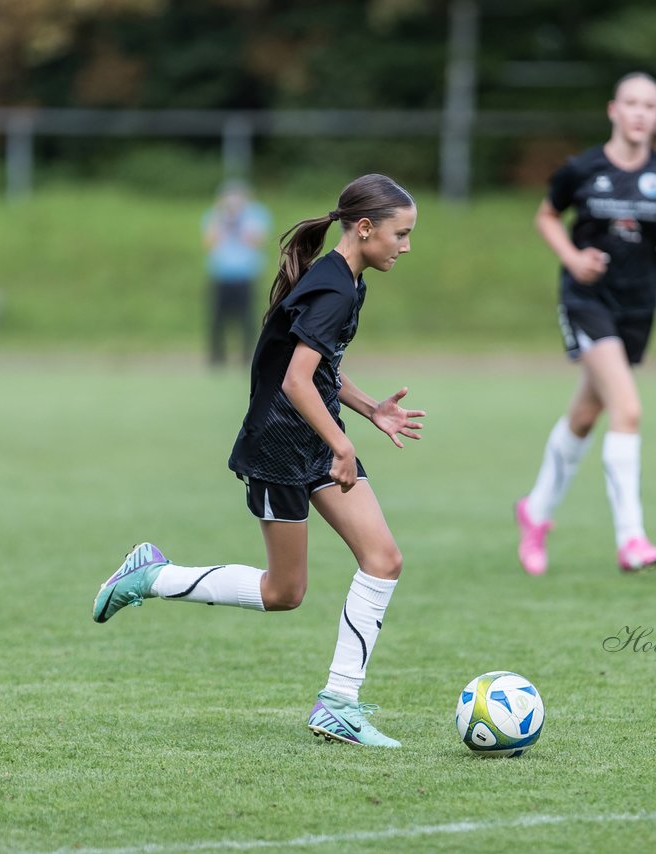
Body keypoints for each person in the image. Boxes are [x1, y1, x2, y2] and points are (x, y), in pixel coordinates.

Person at [93, 174, 422, 748]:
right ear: (365, 228)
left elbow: (318, 368)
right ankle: (153, 576)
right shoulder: (336, 286)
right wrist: (343, 445)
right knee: (283, 592)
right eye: (402, 233)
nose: (406, 246)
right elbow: (295, 381)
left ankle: (338, 703)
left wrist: (369, 409)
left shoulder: (346, 278)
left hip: (313, 439)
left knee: (383, 558)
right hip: (277, 446)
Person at [515, 71, 656, 575]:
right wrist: (573, 259)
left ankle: (535, 511)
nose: (640, 113)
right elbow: (547, 216)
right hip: (587, 300)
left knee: (586, 416)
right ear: (613, 110)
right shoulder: (582, 169)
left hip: (638, 306)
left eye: (650, 106)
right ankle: (631, 538)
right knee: (628, 410)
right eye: (631, 103)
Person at [201, 180, 270, 367]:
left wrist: (239, 221)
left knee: (247, 318)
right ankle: (217, 357)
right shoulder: (214, 215)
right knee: (217, 318)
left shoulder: (255, 215)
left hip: (246, 274)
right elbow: (209, 242)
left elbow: (257, 241)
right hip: (220, 273)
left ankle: (248, 356)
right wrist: (222, 219)